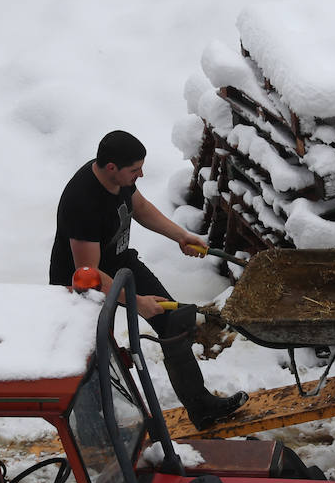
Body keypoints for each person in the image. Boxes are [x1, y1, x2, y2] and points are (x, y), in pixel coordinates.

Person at [49, 130, 247, 429]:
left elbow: (139, 208)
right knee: (92, 355)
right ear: (112, 167)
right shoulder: (83, 203)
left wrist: (181, 236)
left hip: (118, 265)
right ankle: (92, 427)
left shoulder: (120, 180)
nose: (141, 174)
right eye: (135, 169)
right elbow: (86, 273)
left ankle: (202, 408)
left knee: (174, 320)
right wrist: (136, 302)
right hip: (81, 287)